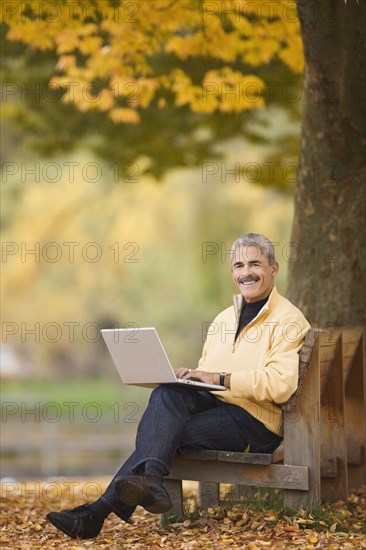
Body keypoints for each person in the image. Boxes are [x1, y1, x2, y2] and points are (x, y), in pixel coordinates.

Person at [46, 232, 310, 539]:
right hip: (220, 407)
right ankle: (149, 482)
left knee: (162, 433)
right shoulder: (224, 318)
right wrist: (192, 377)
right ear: (232, 273)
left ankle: (98, 512)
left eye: (255, 263)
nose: (246, 272)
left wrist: (220, 379)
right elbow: (210, 371)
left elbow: (280, 385)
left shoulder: (289, 320)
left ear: (274, 268)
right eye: (239, 265)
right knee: (166, 393)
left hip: (257, 422)